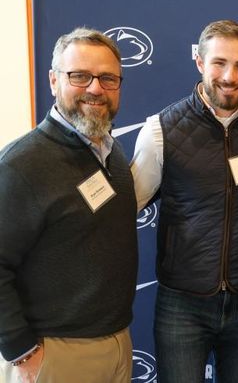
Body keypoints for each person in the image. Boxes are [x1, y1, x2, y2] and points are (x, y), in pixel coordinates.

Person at [130, 20, 238, 383]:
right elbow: (125, 209)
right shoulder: (160, 130)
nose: (229, 75)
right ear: (200, 62)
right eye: (219, 62)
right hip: (182, 304)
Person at [0, 27, 137, 382]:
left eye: (108, 78)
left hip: (117, 344)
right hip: (56, 353)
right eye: (80, 76)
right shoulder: (21, 165)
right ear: (53, 81)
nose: (95, 88)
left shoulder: (111, 152)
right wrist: (20, 349)